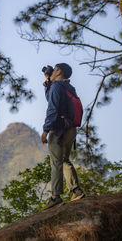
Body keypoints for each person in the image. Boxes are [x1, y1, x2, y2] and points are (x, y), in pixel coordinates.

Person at [41, 63, 85, 210]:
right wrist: (48, 84)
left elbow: (52, 108)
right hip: (71, 129)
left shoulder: (57, 87)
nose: (52, 71)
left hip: (59, 129)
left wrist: (46, 130)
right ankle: (76, 190)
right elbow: (55, 100)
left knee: (56, 162)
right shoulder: (69, 87)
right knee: (64, 160)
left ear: (58, 71)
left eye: (54, 69)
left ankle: (55, 196)